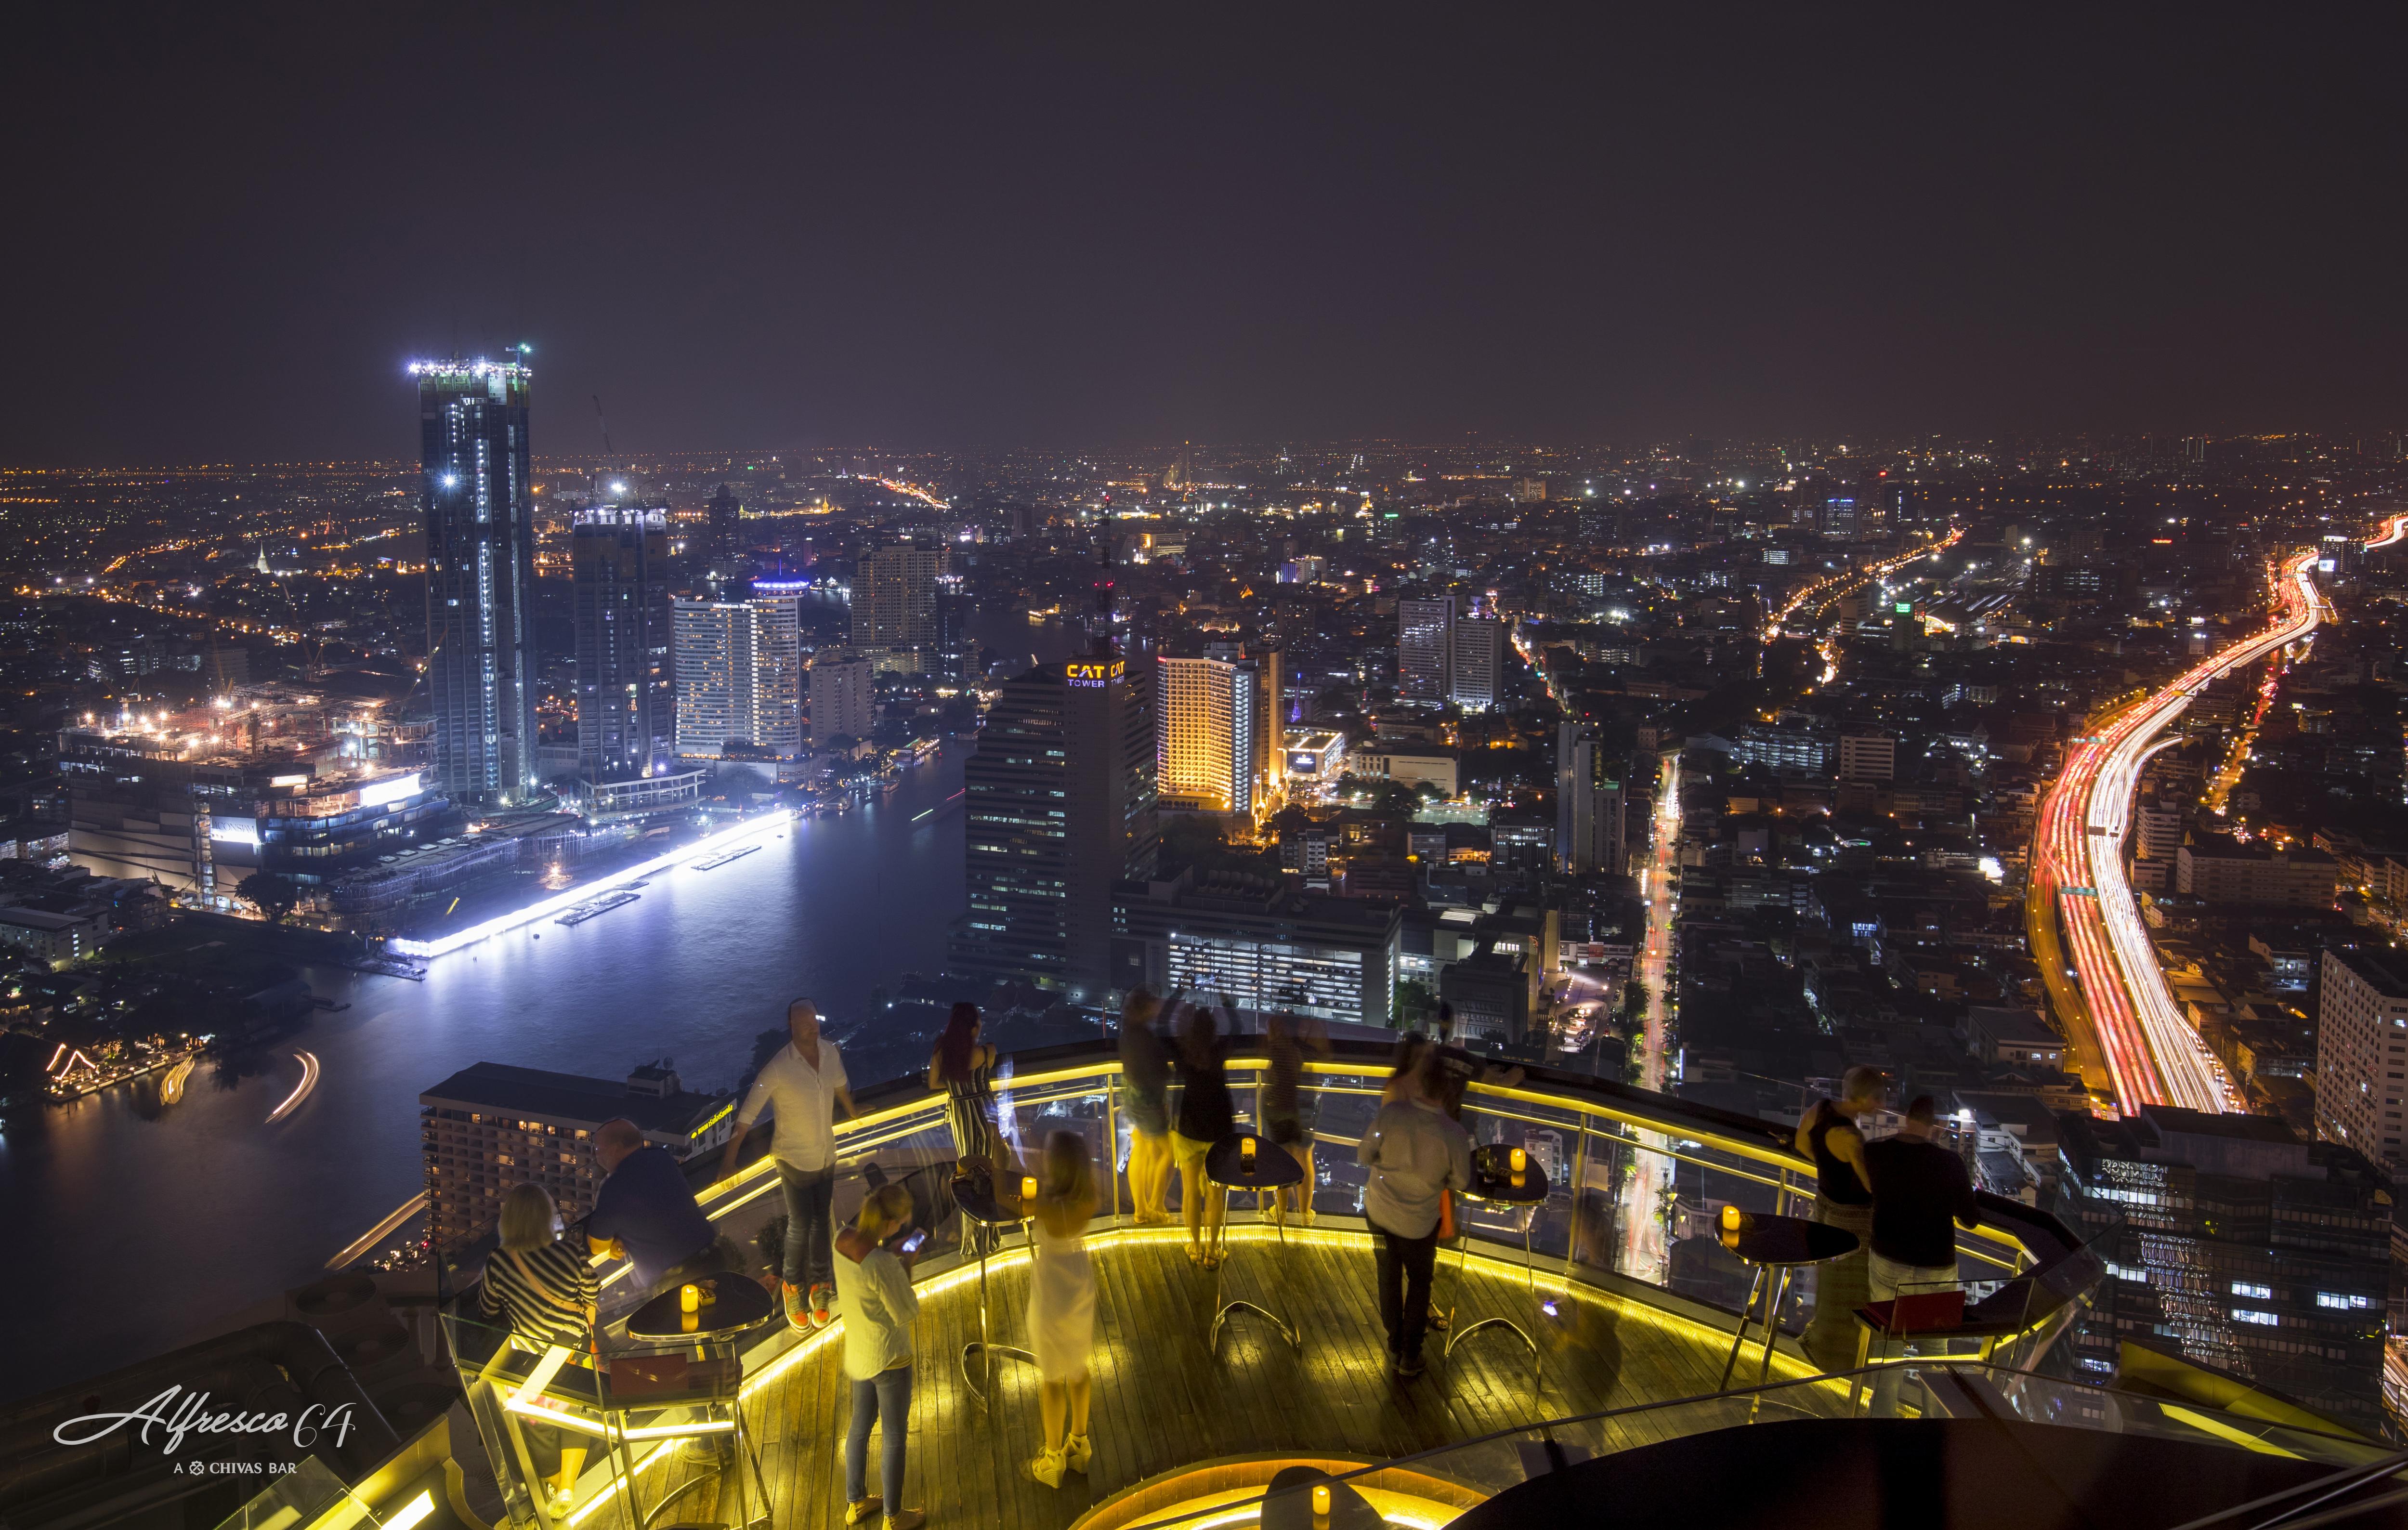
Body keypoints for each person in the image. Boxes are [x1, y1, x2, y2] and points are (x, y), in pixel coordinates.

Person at [723, 998, 857, 1331]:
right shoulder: (779, 1067)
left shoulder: (829, 1053)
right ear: (793, 1027)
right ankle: (792, 1286)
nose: (814, 1027)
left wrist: (854, 1113)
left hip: (826, 1154)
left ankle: (821, 1286)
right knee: (800, 1225)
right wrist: (729, 1159)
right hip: (793, 1158)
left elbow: (840, 1086)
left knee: (821, 1223)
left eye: (815, 1020)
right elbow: (749, 1113)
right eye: (806, 1023)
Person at [480, 1184, 600, 1513]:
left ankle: (560, 1490)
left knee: (540, 1428)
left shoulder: (499, 1262)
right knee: (576, 1414)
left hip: (529, 1361)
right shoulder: (570, 1252)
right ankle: (568, 1489)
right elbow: (592, 1290)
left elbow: (488, 1310)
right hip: (571, 1352)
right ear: (548, 1216)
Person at [1859, 1095, 1982, 1414]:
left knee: (1889, 1347)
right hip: (1936, 1267)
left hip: (1888, 1258)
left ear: (1904, 1117)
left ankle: (1881, 1424)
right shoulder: (1949, 1163)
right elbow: (1970, 1218)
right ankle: (1933, 1428)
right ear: (1937, 1126)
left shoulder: (1875, 1153)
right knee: (1934, 1351)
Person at [1356, 1046, 1471, 1379]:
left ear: (1421, 1082)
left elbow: (1365, 1153)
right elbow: (1461, 1180)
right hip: (1419, 1223)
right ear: (1447, 1090)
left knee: (1388, 1275)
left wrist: (1387, 1163)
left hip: (1378, 1211)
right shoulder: (1454, 1133)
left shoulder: (1392, 1114)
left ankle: (1396, 1344)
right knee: (1420, 1281)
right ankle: (1411, 1353)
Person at [834, 1183, 926, 1530]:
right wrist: (907, 1264)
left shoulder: (841, 1238)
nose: (904, 1226)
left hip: (859, 1349)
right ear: (891, 1223)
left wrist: (892, 1258)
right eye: (902, 1221)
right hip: (889, 1356)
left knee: (859, 1427)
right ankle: (894, 1516)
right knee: (894, 1435)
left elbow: (867, 1280)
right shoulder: (883, 1264)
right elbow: (906, 1311)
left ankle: (855, 1502)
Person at [1793, 1066, 1882, 1372]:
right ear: (1866, 1099)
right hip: (1853, 1218)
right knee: (1851, 1288)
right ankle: (1839, 1357)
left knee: (1829, 1281)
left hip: (1824, 1204)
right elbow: (1871, 1185)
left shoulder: (1820, 1109)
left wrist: (1828, 1167)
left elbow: (1802, 1144)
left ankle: (1822, 1344)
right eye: (1877, 1099)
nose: (1880, 1105)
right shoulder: (1851, 1137)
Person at [1025, 1129, 1099, 1489]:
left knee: (1052, 1377)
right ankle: (1080, 1446)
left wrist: (995, 1155)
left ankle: (1053, 1458)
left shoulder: (1044, 1204)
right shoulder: (1089, 1198)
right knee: (1079, 1368)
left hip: (1052, 1290)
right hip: (1079, 1283)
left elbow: (1001, 1195)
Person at [589, 1118, 727, 1299]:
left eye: (599, 1150)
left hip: (676, 1284)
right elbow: (654, 1207)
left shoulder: (613, 1188)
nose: (597, 1157)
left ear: (615, 1149)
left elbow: (596, 1246)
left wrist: (615, 1240)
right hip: (713, 1259)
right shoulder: (661, 1158)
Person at [1170, 998, 1234, 1267]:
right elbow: (1238, 1027)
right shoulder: (1219, 1051)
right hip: (1218, 1130)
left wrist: (1179, 994)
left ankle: (1195, 1248)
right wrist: (1227, 1003)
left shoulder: (1184, 1052)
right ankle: (1212, 1252)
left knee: (1189, 1193)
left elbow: (1166, 1023)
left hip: (1188, 1128)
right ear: (1213, 1030)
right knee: (1215, 1194)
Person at [1261, 1011, 1328, 1226]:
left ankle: (1280, 1212)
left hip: (1277, 1100)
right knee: (1305, 1156)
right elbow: (1327, 1055)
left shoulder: (1275, 1025)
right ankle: (1305, 1214)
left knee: (1281, 1157)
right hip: (1305, 1101)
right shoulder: (1312, 1027)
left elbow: (1266, 1050)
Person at [1117, 987, 1173, 1225]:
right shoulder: (1144, 1036)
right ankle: (1155, 1205)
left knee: (1141, 1147)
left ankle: (1141, 1210)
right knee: (1169, 1152)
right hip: (1150, 1102)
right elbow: (1158, 1070)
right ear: (1144, 1009)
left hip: (1133, 1101)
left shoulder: (1128, 1033)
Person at [929, 1001, 1004, 1172]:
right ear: (974, 1028)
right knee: (987, 1161)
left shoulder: (941, 1051)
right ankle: (988, 1192)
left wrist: (955, 1085)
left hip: (961, 1112)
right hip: (985, 1109)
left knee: (967, 1160)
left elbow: (933, 1084)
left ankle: (968, 1192)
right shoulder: (988, 1051)